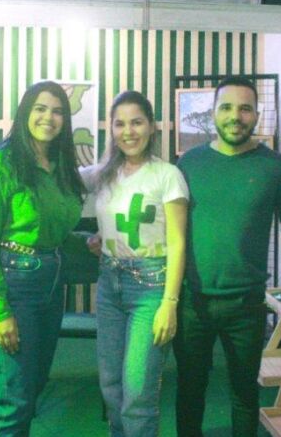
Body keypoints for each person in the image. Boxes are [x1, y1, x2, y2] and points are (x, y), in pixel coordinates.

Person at [173, 76, 281, 437]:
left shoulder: (275, 167)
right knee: (189, 390)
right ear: (213, 112)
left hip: (247, 305)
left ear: (257, 115)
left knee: (245, 394)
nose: (235, 116)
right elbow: (167, 227)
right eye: (227, 107)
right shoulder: (188, 164)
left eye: (245, 108)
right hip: (192, 303)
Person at [0, 80, 85, 436]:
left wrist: (88, 243)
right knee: (13, 401)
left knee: (33, 389)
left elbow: (52, 231)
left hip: (51, 285)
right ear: (25, 113)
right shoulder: (0, 164)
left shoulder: (60, 164)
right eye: (40, 108)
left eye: (57, 111)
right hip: (13, 287)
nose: (49, 117)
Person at [83, 90, 188, 437]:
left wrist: (169, 303)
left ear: (152, 126)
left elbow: (177, 242)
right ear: (111, 129)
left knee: (138, 390)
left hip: (151, 286)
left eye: (137, 122)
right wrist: (102, 237)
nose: (128, 132)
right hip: (109, 282)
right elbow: (60, 177)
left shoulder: (167, 175)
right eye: (120, 124)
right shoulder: (104, 174)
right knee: (111, 385)